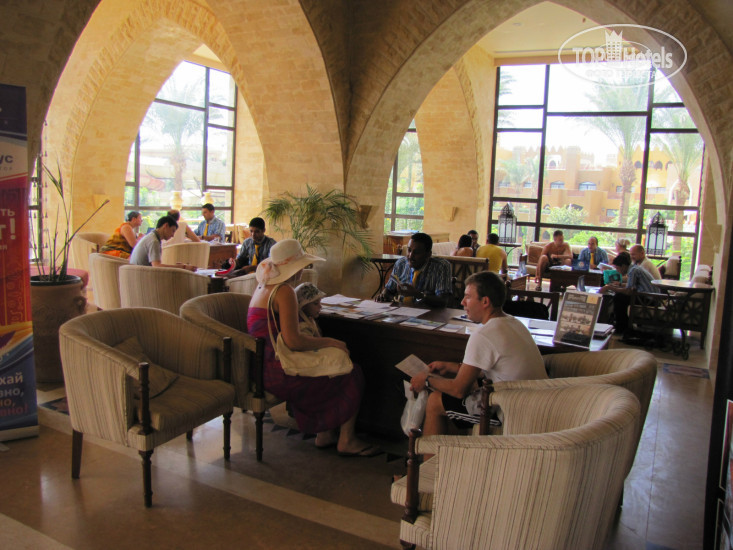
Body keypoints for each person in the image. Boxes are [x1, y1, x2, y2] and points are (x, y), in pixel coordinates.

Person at [246, 239, 380, 457]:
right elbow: (294, 341)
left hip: (261, 366)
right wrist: (332, 342)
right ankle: (346, 439)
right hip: (280, 371)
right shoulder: (284, 291)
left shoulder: (262, 287)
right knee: (352, 372)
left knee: (334, 365)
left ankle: (325, 433)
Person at [409, 271, 546, 437]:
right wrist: (452, 367)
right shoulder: (514, 322)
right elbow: (496, 366)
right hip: (538, 402)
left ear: (485, 301)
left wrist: (427, 380)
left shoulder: (483, 334)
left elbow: (458, 390)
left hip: (514, 410)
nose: (462, 302)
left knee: (435, 401)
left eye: (467, 297)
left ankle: (431, 454)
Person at [376, 232, 452, 307]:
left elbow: (443, 301)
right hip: (402, 310)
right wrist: (383, 295)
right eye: (409, 250)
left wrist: (417, 294)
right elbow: (389, 289)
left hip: (427, 312)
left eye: (417, 252)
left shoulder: (441, 267)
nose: (410, 256)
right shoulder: (401, 264)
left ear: (428, 254)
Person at [600, 251, 659, 334]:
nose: (617, 271)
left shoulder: (633, 271)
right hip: (648, 297)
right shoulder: (634, 268)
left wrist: (609, 287)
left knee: (619, 297)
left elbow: (629, 291)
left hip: (649, 300)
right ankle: (621, 324)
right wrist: (619, 285)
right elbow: (632, 285)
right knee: (620, 296)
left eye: (617, 268)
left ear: (623, 266)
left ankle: (621, 327)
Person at [129, 215, 196, 270]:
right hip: (142, 275)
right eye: (173, 231)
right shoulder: (154, 241)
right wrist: (182, 267)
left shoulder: (151, 236)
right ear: (166, 226)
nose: (172, 235)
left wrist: (178, 267)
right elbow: (157, 266)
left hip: (137, 273)